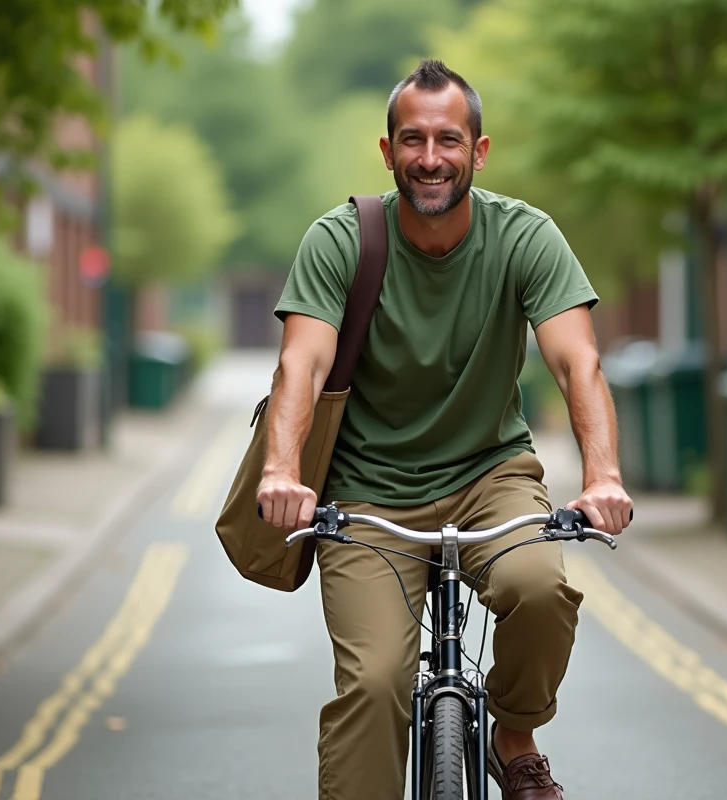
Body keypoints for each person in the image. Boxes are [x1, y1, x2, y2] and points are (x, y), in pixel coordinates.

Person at [256, 59, 633, 800]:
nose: (431, 158)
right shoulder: (340, 241)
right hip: (367, 495)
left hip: (490, 478)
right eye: (414, 140)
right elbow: (298, 367)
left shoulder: (524, 237)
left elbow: (577, 361)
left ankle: (515, 731)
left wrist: (603, 476)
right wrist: (281, 471)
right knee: (373, 685)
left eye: (449, 140)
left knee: (539, 587)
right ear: (389, 149)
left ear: (478, 152)